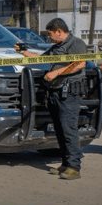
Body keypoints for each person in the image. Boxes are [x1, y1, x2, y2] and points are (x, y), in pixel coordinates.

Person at [16, 18, 87, 180]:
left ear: (59, 31)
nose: (48, 37)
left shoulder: (76, 43)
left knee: (69, 129)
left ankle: (74, 167)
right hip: (55, 92)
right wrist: (22, 51)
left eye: (50, 34)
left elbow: (80, 64)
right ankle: (65, 164)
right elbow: (39, 59)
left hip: (69, 93)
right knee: (60, 130)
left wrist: (56, 73)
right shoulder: (57, 47)